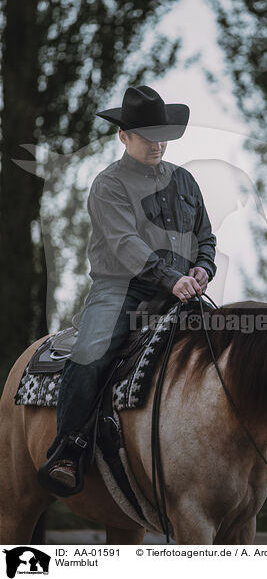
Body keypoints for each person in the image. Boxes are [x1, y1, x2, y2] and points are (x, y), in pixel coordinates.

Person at [39, 85, 217, 494]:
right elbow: (124, 244)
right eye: (147, 137)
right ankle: (67, 450)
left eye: (162, 136)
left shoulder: (185, 181)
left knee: (227, 347)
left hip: (182, 290)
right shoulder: (109, 184)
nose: (157, 145)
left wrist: (203, 267)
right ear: (123, 136)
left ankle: (241, 454)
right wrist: (172, 278)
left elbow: (205, 236)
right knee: (91, 353)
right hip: (121, 291)